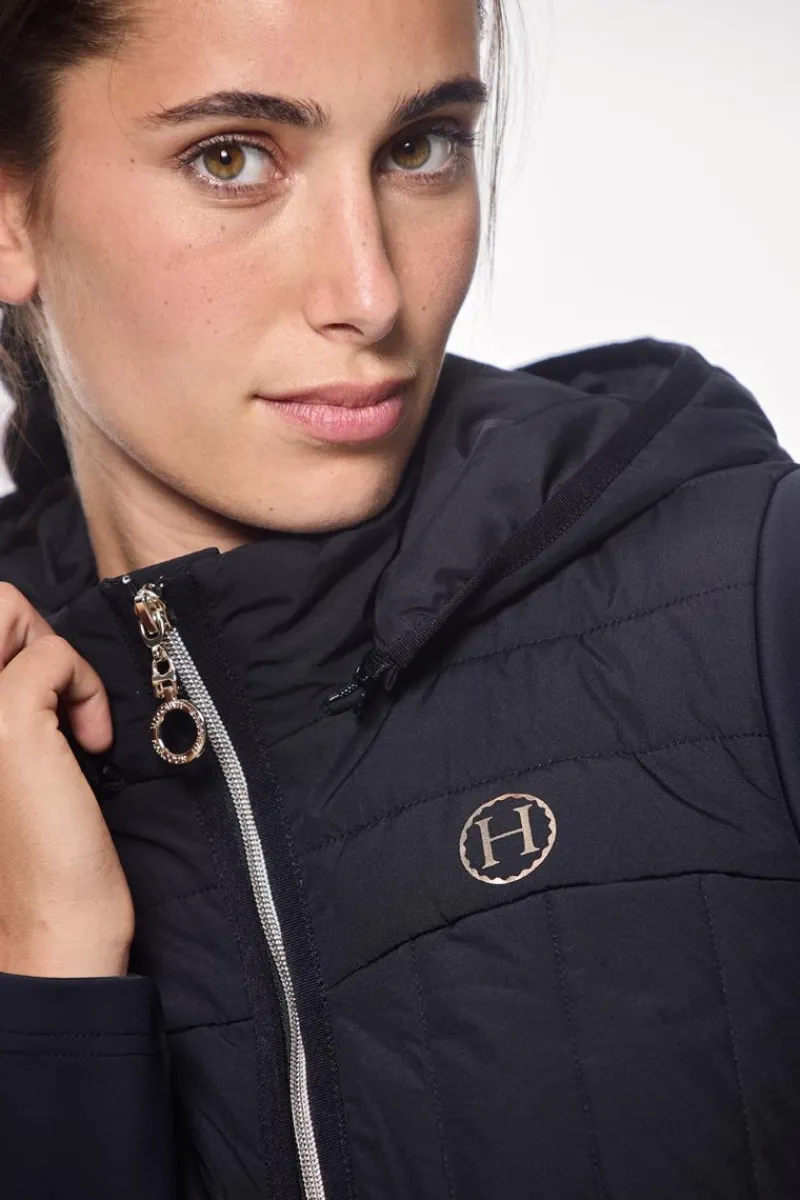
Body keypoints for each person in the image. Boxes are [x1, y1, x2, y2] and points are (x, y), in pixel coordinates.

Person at [1, 0, 799, 1197]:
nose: (368, 295)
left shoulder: (753, 600)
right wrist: (50, 987)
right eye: (232, 159)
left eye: (419, 147)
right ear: (13, 209)